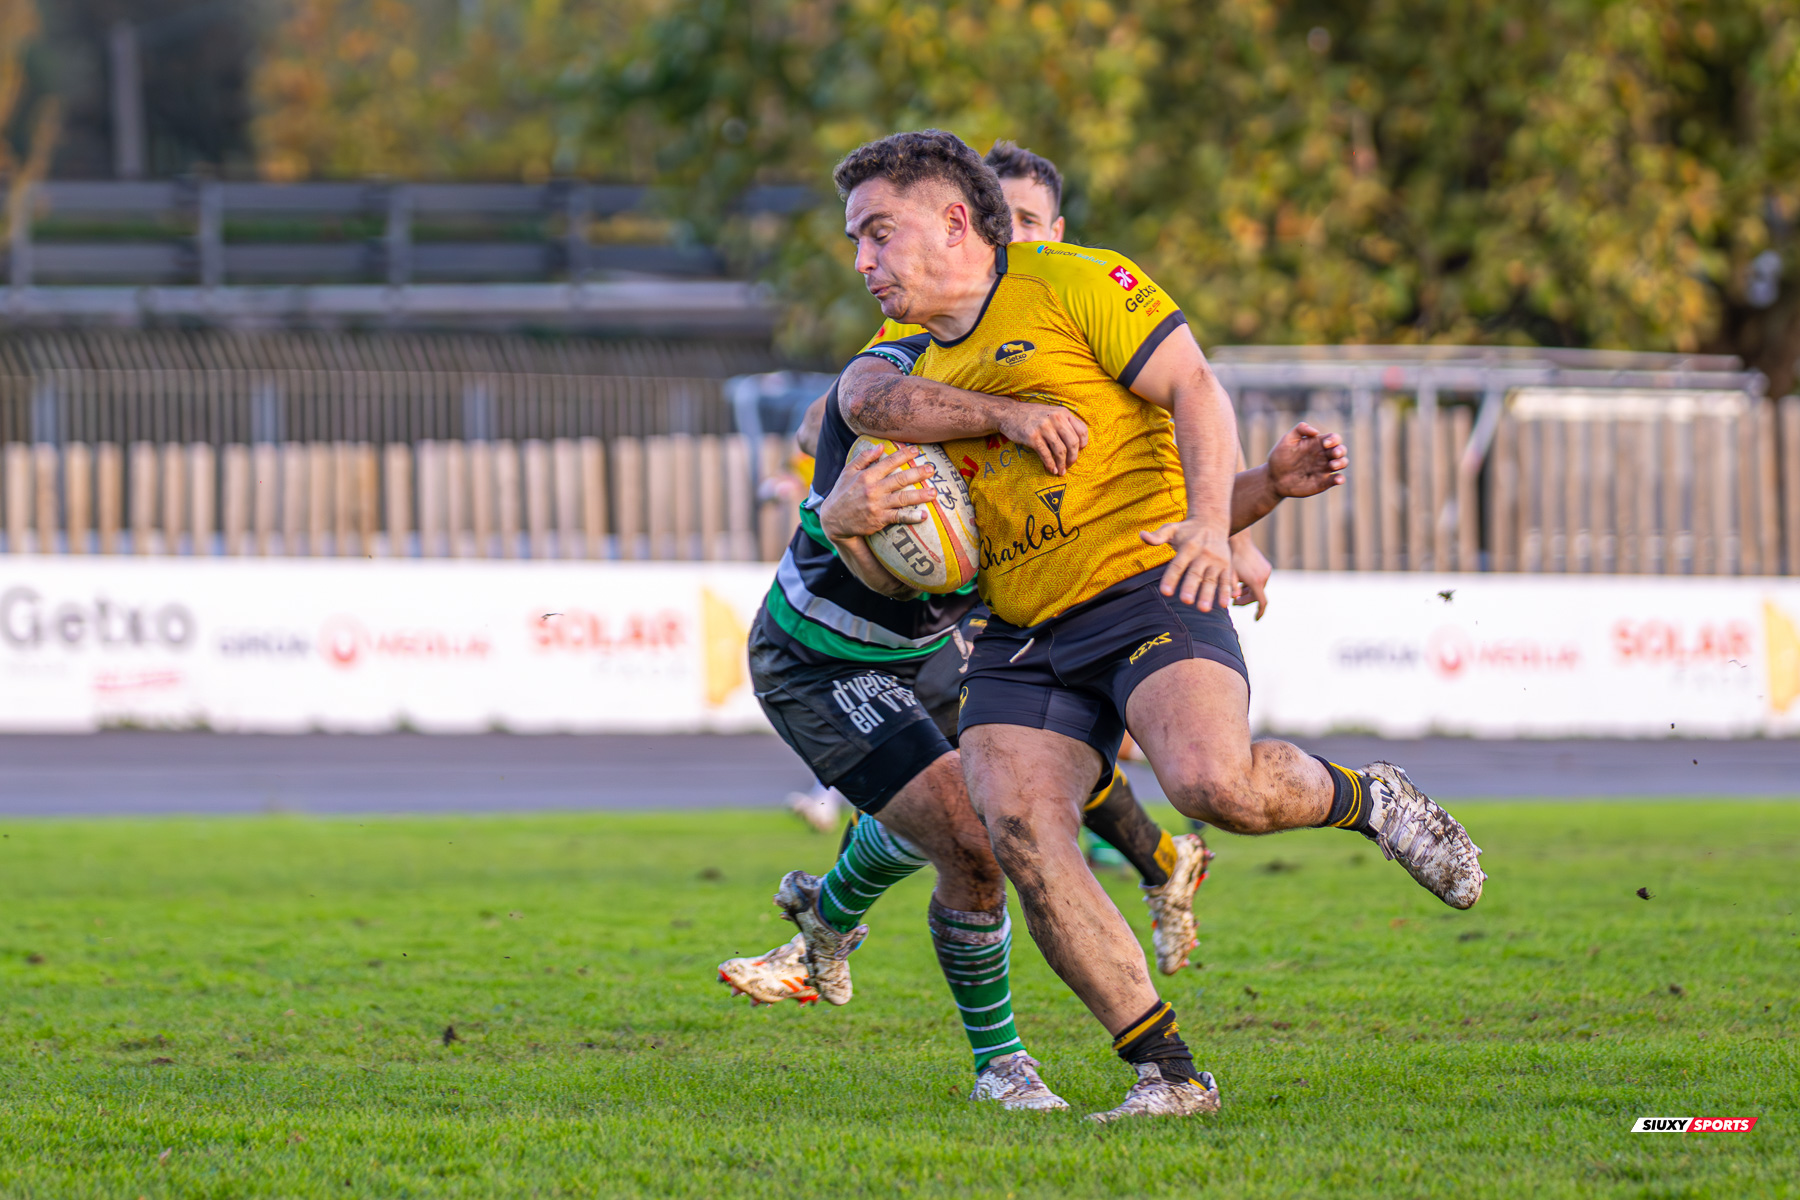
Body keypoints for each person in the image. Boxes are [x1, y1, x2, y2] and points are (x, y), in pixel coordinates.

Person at [825, 129, 1486, 1123]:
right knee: (1024, 837)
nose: (865, 262)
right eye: (856, 242)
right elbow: (857, 402)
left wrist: (1217, 527)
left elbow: (1196, 392)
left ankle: (1367, 797)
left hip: (1144, 585)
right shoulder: (894, 358)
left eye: (879, 234)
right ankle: (1170, 1075)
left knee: (1214, 786)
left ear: (954, 221)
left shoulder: (1081, 281)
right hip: (1021, 629)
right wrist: (977, 432)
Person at [718, 146, 1349, 1112]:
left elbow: (1149, 494)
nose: (1026, 244)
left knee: (1031, 797)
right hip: (823, 652)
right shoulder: (905, 358)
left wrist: (1236, 516)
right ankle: (994, 1057)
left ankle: (832, 919)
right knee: (976, 827)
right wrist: (852, 499)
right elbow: (833, 420)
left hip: (949, 638)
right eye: (1008, 219)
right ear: (971, 226)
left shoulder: (1066, 322)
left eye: (1039, 226)